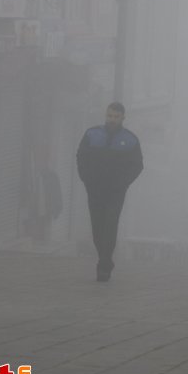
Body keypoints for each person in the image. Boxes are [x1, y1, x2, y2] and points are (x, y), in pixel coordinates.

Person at [77, 102, 143, 282]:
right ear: (106, 116)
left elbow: (137, 166)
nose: (112, 119)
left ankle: (104, 266)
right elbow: (81, 157)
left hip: (115, 193)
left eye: (116, 116)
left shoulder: (130, 140)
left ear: (123, 118)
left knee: (110, 226)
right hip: (95, 190)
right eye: (110, 116)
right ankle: (104, 257)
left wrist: (122, 184)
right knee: (97, 228)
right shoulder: (92, 135)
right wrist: (86, 179)